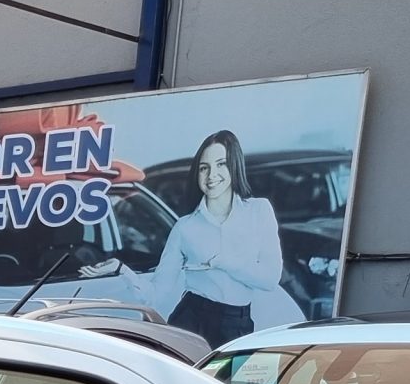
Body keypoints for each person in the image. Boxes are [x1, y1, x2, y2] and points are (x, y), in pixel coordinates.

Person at [83, 129, 301, 345]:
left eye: (221, 164)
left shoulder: (259, 211)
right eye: (204, 168)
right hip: (191, 319)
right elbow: (157, 294)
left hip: (237, 323)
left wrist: (224, 262)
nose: (211, 176)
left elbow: (270, 279)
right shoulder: (185, 227)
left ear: (234, 166)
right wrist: (122, 270)